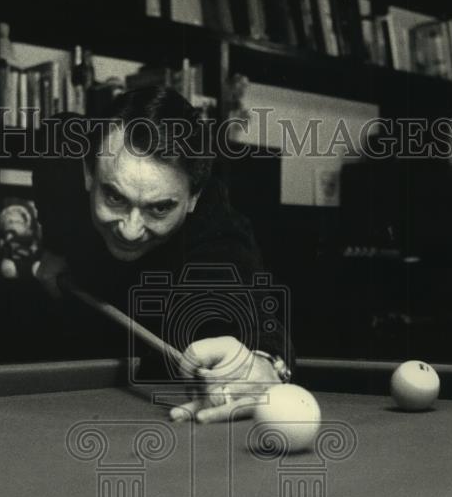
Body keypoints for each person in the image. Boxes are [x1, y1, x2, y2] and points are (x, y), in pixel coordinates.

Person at [27, 86, 292, 422]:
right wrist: (56, 245)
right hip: (78, 325)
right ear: (88, 173)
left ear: (193, 198)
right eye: (114, 198)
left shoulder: (215, 229)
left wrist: (266, 362)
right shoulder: (62, 156)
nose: (130, 230)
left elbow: (258, 320)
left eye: (160, 208)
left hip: (161, 345)